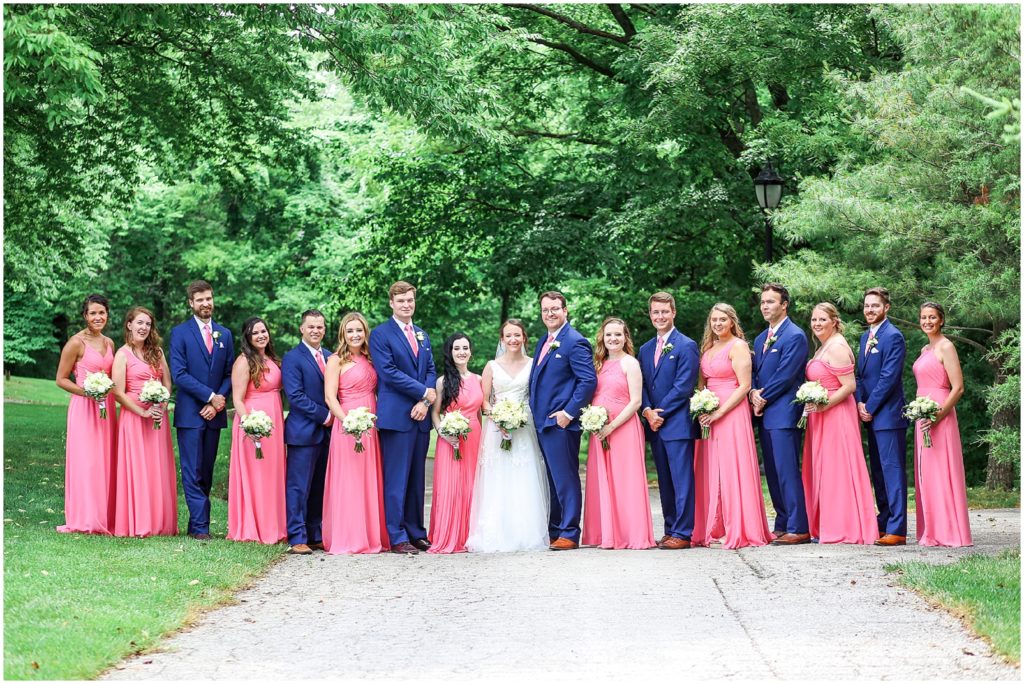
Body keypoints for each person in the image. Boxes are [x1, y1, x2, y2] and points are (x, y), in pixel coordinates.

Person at [691, 304, 772, 549]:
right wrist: (702, 406)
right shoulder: (708, 348)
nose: (717, 324)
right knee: (710, 468)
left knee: (732, 467)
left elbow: (744, 385)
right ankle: (714, 526)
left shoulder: (738, 346)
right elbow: (702, 384)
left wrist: (719, 412)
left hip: (731, 412)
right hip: (710, 411)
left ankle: (741, 527)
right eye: (714, 319)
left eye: (723, 319)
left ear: (732, 322)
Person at [466, 319, 550, 552]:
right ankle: (496, 532)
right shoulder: (491, 366)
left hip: (524, 426)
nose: (513, 340)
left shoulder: (534, 364)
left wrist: (517, 419)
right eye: (508, 336)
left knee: (524, 475)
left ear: (524, 338)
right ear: (501, 339)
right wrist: (499, 419)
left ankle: (526, 532)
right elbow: (484, 400)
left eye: (517, 335)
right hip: (497, 428)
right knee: (499, 476)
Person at [369, 281, 437, 554]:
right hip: (396, 417)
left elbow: (430, 368)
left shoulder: (422, 334)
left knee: (416, 479)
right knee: (396, 480)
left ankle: (416, 532)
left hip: (420, 417)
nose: (406, 305)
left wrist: (425, 400)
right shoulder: (380, 334)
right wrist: (422, 392)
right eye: (401, 301)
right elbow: (388, 372)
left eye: (410, 300)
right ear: (392, 303)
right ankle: (396, 535)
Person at [802, 303, 878, 545]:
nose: (817, 324)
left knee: (838, 469)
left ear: (834, 321)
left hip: (836, 415)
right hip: (822, 415)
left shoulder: (837, 347)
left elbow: (849, 386)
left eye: (822, 319)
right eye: (814, 319)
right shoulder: (824, 346)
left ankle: (844, 527)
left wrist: (824, 405)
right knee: (826, 470)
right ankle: (828, 524)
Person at [528, 291, 597, 551]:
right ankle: (555, 529)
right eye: (546, 310)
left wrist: (568, 413)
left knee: (566, 478)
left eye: (555, 308)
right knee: (553, 479)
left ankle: (569, 531)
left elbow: (587, 380)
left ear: (565, 310)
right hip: (542, 423)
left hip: (561, 424)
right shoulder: (543, 342)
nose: (550, 314)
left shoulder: (575, 341)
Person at [581, 318, 655, 550]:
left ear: (625, 337)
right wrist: (594, 421)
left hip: (623, 428)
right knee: (603, 479)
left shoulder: (630, 363)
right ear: (602, 337)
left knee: (626, 479)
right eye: (609, 334)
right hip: (599, 429)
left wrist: (611, 427)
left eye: (618, 335)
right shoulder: (598, 364)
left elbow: (636, 402)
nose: (613, 339)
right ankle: (606, 533)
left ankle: (630, 534)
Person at [168, 280, 234, 540]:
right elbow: (179, 374)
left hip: (214, 414)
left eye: (209, 298)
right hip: (190, 415)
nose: (206, 303)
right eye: (200, 300)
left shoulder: (224, 334)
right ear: (191, 303)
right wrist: (209, 397)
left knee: (206, 470)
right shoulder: (180, 333)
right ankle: (199, 527)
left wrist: (219, 400)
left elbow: (229, 373)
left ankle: (198, 523)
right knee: (192, 470)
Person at [322, 312, 390, 554]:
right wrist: (348, 421)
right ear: (343, 333)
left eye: (359, 330)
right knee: (349, 479)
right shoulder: (335, 361)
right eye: (350, 331)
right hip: (347, 424)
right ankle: (349, 536)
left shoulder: (372, 359)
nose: (355, 335)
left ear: (365, 332)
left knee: (368, 478)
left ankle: (371, 535)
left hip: (370, 425)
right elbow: (330, 397)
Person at [638, 291, 700, 550]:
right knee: (664, 481)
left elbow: (683, 387)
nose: (660, 316)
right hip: (654, 425)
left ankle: (684, 533)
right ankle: (670, 528)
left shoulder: (686, 345)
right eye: (655, 312)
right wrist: (646, 410)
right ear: (650, 315)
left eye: (665, 311)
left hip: (676, 424)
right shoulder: (644, 349)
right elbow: (641, 384)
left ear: (673, 312)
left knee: (681, 480)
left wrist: (658, 413)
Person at [750, 283, 811, 545]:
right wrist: (752, 391)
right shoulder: (760, 338)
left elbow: (786, 375)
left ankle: (799, 526)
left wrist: (761, 397)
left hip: (784, 413)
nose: (765, 306)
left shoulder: (795, 336)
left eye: (771, 302)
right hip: (765, 414)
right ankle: (783, 522)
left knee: (787, 470)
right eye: (763, 302)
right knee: (773, 472)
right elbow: (756, 372)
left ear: (784, 305)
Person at [112, 307, 178, 537]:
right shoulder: (122, 354)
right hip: (134, 417)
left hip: (158, 417)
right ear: (129, 324)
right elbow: (118, 393)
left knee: (157, 468)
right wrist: (142, 412)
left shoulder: (157, 352)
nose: (144, 328)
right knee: (138, 468)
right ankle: (139, 522)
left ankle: (160, 522)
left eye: (148, 324)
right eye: (139, 323)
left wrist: (161, 404)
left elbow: (167, 383)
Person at [55, 294, 118, 535]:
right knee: (86, 461)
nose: (98, 317)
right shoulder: (75, 342)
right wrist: (87, 392)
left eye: (101, 312)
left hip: (107, 408)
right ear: (85, 316)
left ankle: (105, 515)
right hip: (84, 407)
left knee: (105, 459)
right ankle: (84, 518)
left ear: (107, 314)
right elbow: (60, 379)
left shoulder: (110, 343)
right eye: (93, 313)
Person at [912, 302, 972, 547]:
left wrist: (938, 415)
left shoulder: (946, 346)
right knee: (927, 472)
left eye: (932, 317)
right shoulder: (926, 348)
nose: (927, 321)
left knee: (942, 470)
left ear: (941, 320)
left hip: (940, 411)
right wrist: (922, 413)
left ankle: (949, 531)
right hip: (922, 413)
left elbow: (958, 387)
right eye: (924, 317)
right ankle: (933, 529)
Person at [855, 287, 909, 546]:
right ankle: (884, 519)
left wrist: (870, 406)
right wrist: (859, 403)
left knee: (892, 470)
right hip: (871, 414)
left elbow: (889, 377)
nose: (869, 310)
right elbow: (860, 375)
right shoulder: (866, 338)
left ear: (886, 307)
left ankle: (898, 528)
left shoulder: (893, 336)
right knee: (878, 471)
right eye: (867, 305)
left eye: (875, 305)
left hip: (888, 415)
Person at [227, 317, 287, 544]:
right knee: (257, 476)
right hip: (254, 425)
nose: (261, 335)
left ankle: (274, 526)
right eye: (255, 333)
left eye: (264, 331)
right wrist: (250, 425)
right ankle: (255, 528)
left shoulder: (271, 359)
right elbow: (238, 399)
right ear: (248, 338)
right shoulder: (243, 361)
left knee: (272, 474)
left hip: (274, 422)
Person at [427, 333, 484, 554]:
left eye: (465, 348)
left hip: (474, 437)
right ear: (450, 352)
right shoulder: (443, 381)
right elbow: (435, 413)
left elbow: (480, 413)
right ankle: (448, 535)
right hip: (450, 439)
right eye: (456, 348)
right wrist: (443, 433)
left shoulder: (479, 380)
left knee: (473, 485)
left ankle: (472, 535)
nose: (461, 352)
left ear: (470, 351)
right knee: (451, 487)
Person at [282, 310, 333, 555]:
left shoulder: (331, 356)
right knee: (298, 487)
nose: (316, 331)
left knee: (319, 487)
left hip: (328, 434)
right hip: (303, 432)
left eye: (320, 327)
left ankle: (315, 534)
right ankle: (297, 536)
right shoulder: (292, 358)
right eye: (311, 326)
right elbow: (295, 396)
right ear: (301, 328)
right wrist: (325, 416)